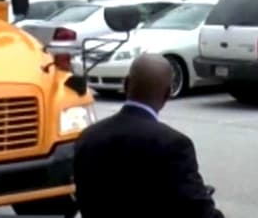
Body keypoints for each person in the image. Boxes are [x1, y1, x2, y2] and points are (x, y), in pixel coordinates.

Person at [73, 54, 223, 218]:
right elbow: (198, 210)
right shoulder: (174, 145)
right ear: (167, 94)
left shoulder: (88, 138)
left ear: (126, 84)